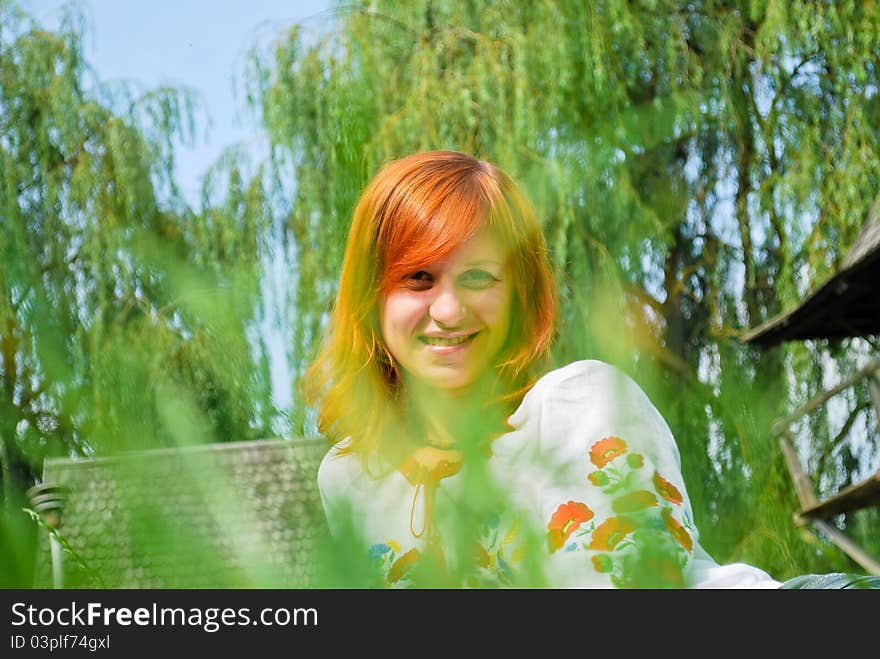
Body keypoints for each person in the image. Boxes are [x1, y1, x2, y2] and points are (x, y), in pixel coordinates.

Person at [303, 150, 846, 588]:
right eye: (418, 277)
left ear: (520, 297)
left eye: (478, 278)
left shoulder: (578, 405)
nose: (447, 310)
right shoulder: (351, 475)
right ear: (370, 299)